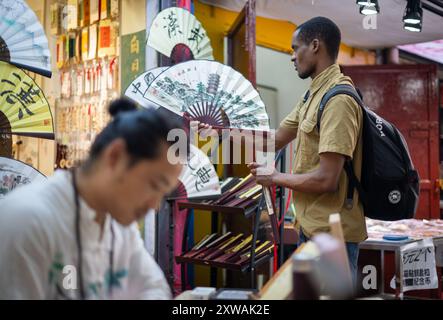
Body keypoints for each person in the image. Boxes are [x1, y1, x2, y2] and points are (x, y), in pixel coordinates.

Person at [0, 98, 183, 299]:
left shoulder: (119, 226)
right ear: (115, 156)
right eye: (154, 185)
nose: (154, 204)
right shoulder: (27, 221)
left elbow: (154, 288)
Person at [248, 16, 367, 284]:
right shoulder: (312, 95)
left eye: (294, 48)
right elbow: (274, 139)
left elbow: (327, 179)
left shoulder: (338, 100)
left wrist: (274, 177)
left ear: (315, 46)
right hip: (310, 228)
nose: (292, 57)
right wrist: (219, 131)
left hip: (332, 237)